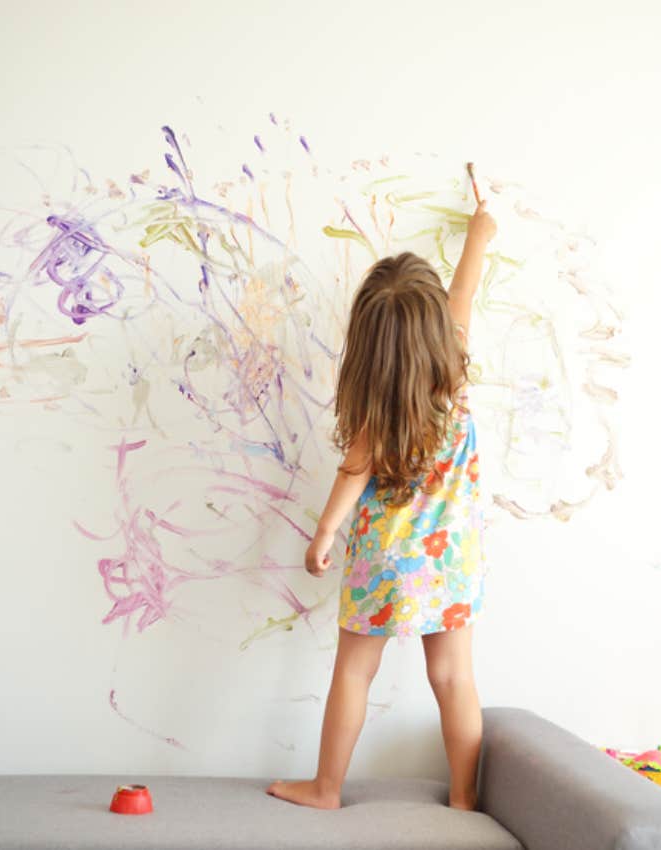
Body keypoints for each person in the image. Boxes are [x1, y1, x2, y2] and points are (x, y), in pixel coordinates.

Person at [266, 199, 498, 811]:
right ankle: (466, 797)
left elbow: (352, 473)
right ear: (435, 327)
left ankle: (326, 788)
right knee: (453, 679)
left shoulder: (377, 409)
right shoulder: (455, 382)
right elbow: (465, 293)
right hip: (449, 562)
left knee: (353, 673)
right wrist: (479, 232)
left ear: (368, 341)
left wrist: (322, 536)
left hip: (383, 559)